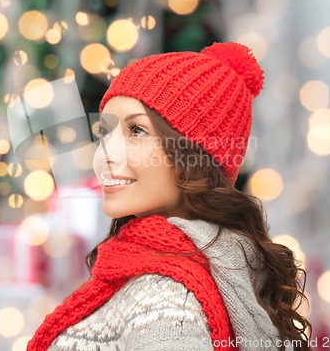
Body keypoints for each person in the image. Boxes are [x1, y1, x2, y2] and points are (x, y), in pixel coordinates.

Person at [27, 42, 312, 351]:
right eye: (103, 132)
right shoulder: (183, 265)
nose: (105, 155)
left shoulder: (166, 301)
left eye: (136, 130)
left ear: (194, 158)